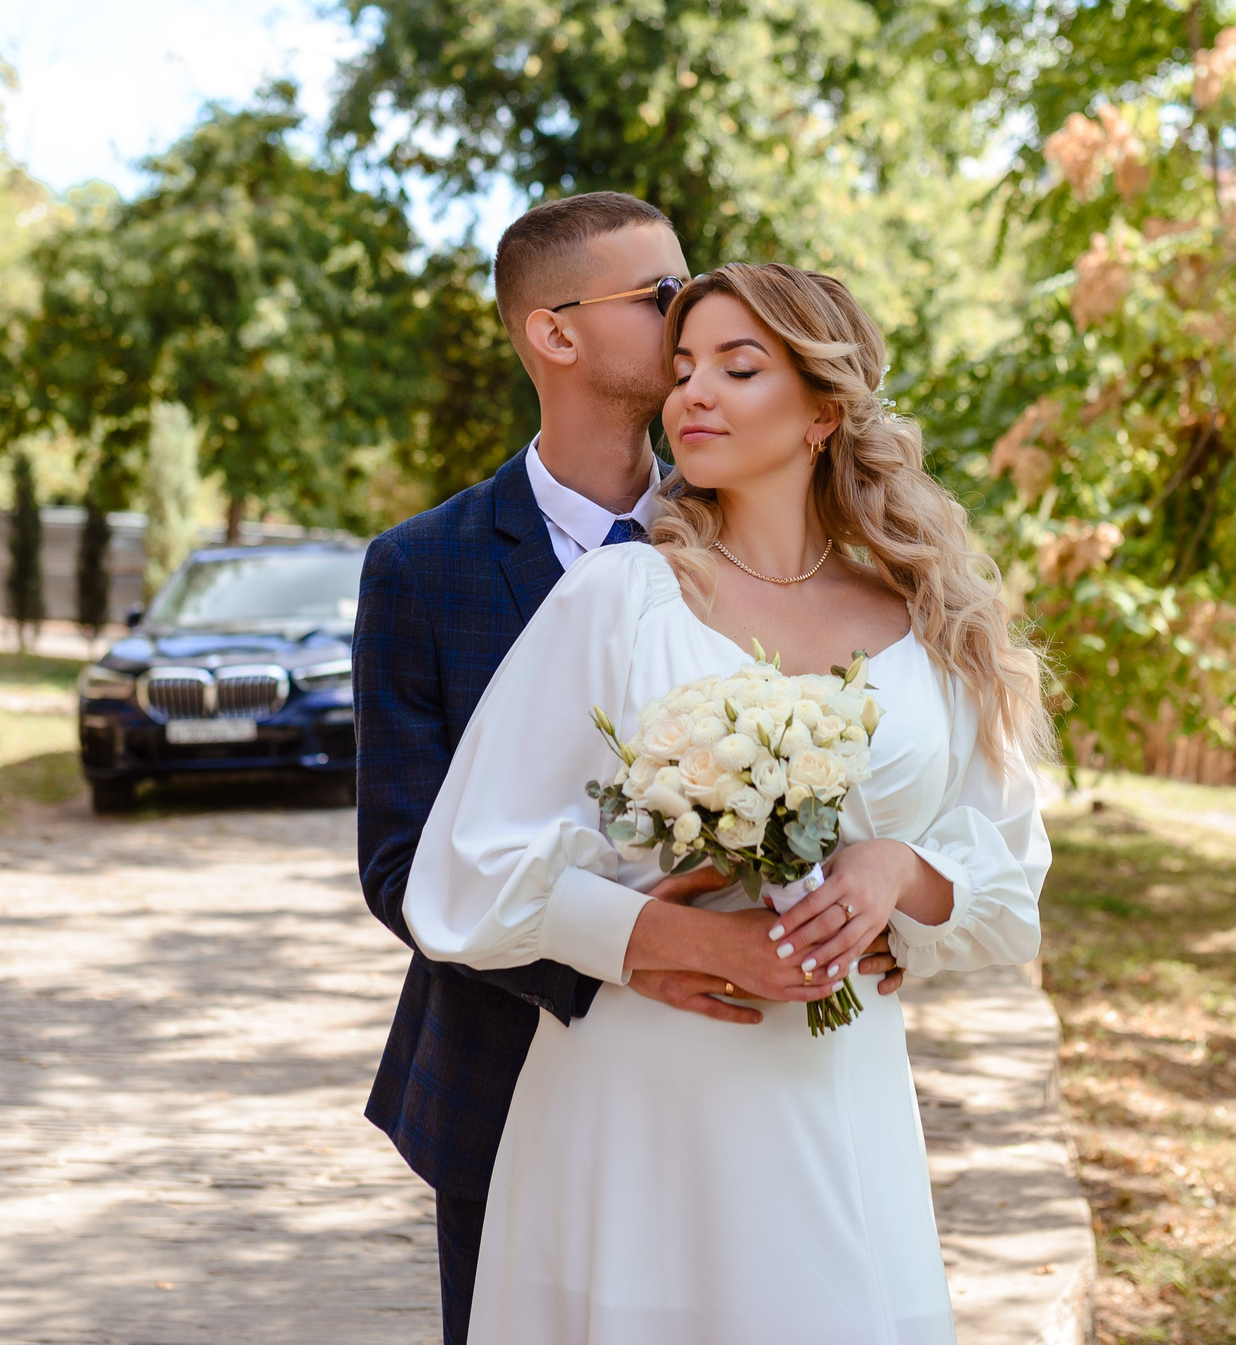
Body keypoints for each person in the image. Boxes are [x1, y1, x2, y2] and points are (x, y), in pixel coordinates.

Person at [404, 263, 1055, 1345]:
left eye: (737, 367)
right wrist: (651, 934)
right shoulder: (618, 598)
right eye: (684, 367)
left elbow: (1008, 881)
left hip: (836, 1084)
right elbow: (466, 867)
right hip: (640, 1083)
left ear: (822, 413)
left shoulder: (931, 625)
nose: (692, 393)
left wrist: (897, 874)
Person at [355, 197, 906, 1345]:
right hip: (500, 1069)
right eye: (659, 296)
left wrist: (880, 891)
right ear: (554, 334)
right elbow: (406, 863)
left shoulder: (763, 547)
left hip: (760, 1070)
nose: (688, 308)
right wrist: (638, 948)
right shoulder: (422, 567)